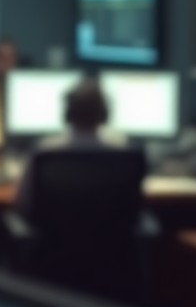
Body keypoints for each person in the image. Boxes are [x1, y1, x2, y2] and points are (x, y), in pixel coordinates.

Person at [15, 79, 128, 217]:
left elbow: (22, 201)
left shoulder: (45, 150)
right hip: (108, 230)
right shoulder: (121, 150)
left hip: (54, 229)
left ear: (67, 113)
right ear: (104, 114)